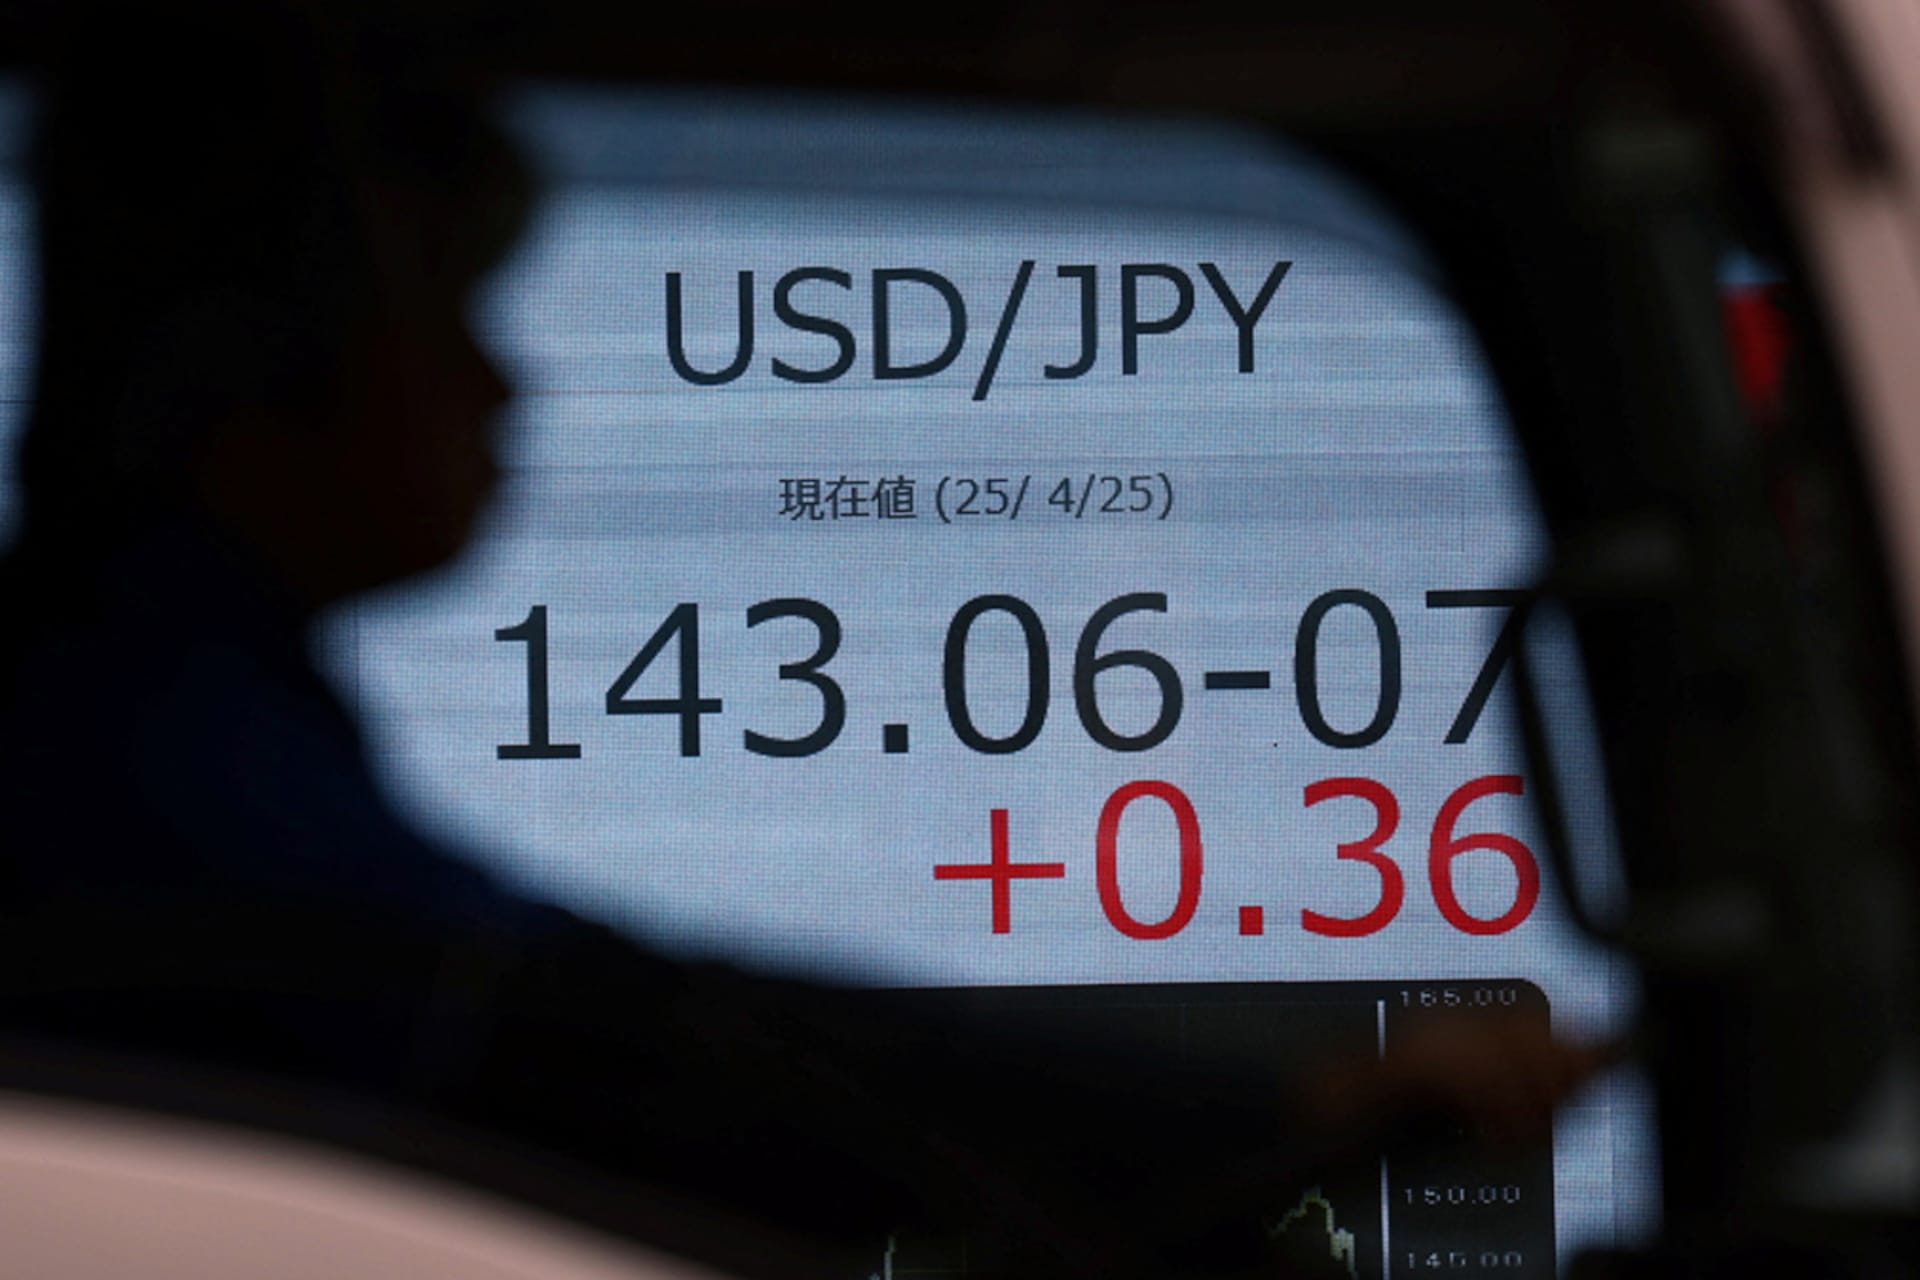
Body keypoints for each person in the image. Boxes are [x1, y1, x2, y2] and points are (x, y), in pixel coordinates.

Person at [0, 10, 1598, 1278]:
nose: (508, 388)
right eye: (440, 310)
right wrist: (1254, 1118)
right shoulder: (133, 752)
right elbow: (583, 1045)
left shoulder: (162, 696)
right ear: (261, 356)